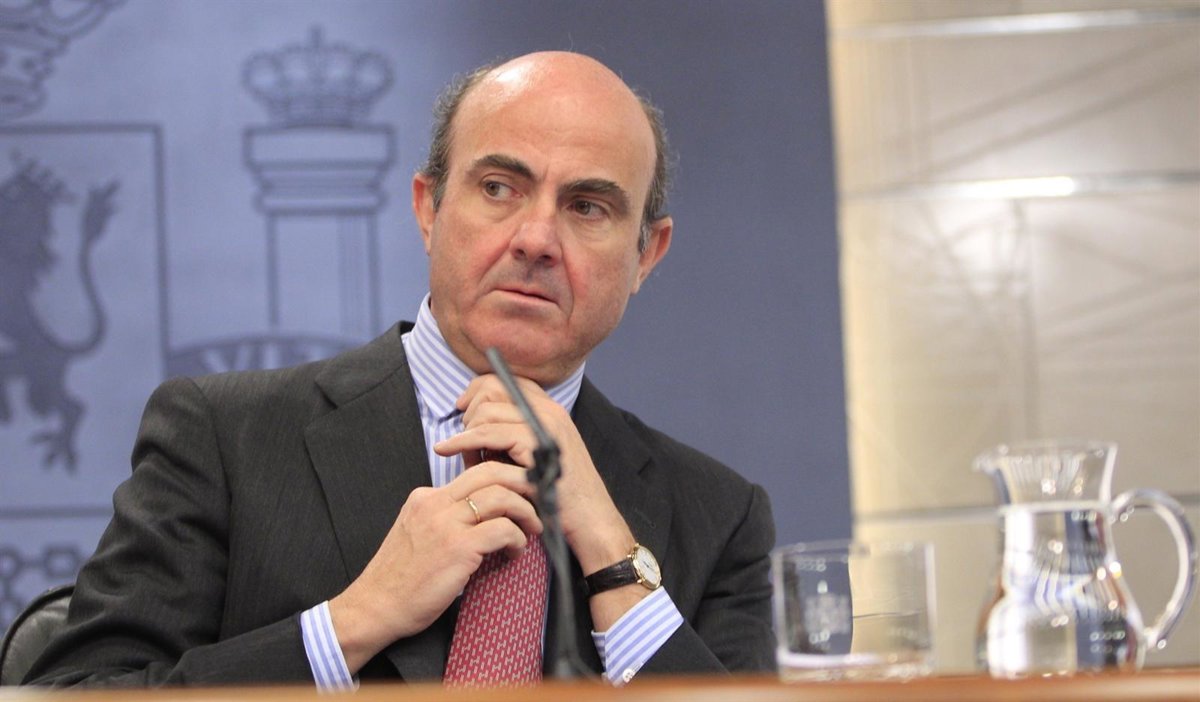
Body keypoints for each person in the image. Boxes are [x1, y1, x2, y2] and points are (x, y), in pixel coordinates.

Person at [25, 51, 775, 688]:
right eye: (498, 188)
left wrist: (612, 554)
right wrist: (351, 623)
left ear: (647, 255)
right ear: (428, 208)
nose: (537, 238)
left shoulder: (717, 516)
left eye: (587, 207)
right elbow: (76, 695)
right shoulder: (225, 437)